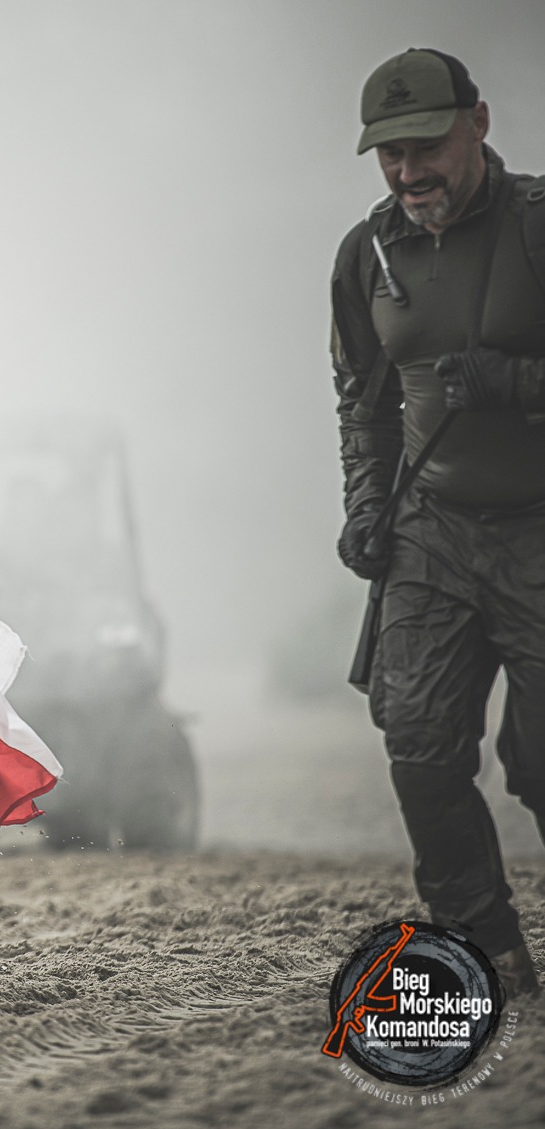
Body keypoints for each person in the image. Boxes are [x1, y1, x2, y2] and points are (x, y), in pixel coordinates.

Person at [330, 49, 545, 996]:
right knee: (418, 745)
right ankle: (490, 952)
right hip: (431, 533)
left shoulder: (540, 225)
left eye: (426, 147)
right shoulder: (364, 254)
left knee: (541, 765)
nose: (410, 172)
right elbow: (362, 403)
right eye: (389, 155)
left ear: (480, 123)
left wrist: (518, 384)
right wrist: (368, 505)